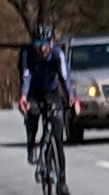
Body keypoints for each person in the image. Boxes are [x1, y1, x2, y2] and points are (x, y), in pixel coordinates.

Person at [17, 19, 71, 181]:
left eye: (46, 43)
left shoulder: (57, 55)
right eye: (38, 43)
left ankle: (62, 181)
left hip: (51, 92)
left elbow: (65, 78)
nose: (42, 48)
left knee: (57, 135)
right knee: (32, 113)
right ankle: (32, 145)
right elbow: (26, 75)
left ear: (52, 42)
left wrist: (71, 100)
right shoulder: (27, 54)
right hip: (33, 93)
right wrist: (23, 97)